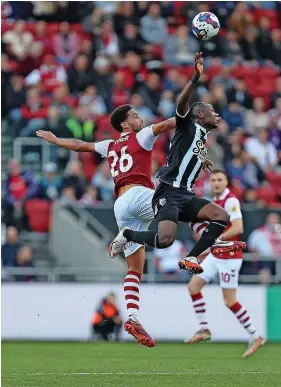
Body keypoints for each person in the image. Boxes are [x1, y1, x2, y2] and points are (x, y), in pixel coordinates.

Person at [36, 104, 177, 348]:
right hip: (139, 194)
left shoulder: (109, 145)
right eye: (134, 115)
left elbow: (81, 145)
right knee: (181, 202)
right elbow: (166, 125)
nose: (139, 117)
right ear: (125, 124)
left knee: (135, 269)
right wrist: (192, 116)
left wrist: (56, 140)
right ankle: (213, 237)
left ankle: (133, 317)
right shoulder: (141, 136)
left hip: (121, 204)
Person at [110, 52, 246, 275]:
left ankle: (193, 255)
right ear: (199, 114)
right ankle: (127, 235)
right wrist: (194, 77)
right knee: (165, 240)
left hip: (186, 194)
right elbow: (181, 104)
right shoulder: (187, 125)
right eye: (212, 111)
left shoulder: (201, 137)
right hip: (168, 191)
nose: (216, 115)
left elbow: (187, 152)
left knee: (221, 216)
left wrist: (201, 159)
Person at [185, 170, 264, 358]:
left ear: (226, 182)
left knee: (230, 301)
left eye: (220, 180)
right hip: (216, 255)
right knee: (193, 286)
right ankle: (204, 329)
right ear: (209, 184)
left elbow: (238, 228)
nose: (216, 183)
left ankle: (255, 335)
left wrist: (215, 238)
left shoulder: (231, 201)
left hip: (230, 257)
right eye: (213, 180)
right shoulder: (213, 203)